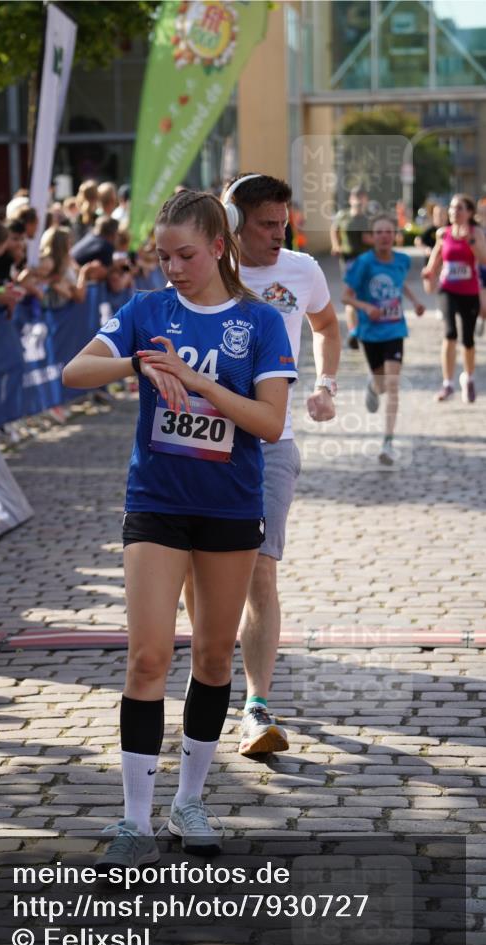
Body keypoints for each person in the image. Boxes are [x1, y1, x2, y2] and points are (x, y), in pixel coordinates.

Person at [62, 190, 297, 867]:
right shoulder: (146, 310)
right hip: (156, 501)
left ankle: (188, 801)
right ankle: (134, 820)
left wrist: (198, 384)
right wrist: (137, 363)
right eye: (162, 256)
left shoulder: (258, 322)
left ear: (218, 247)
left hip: (228, 506)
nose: (172, 268)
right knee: (147, 656)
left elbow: (269, 422)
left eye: (185, 255)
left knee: (215, 659)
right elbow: (74, 371)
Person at [184, 173, 340, 757]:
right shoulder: (203, 271)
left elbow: (326, 325)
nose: (280, 235)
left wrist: (325, 384)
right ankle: (210, 670)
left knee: (261, 571)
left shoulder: (302, 271)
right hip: (202, 442)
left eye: (284, 223)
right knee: (199, 573)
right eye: (267, 225)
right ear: (232, 225)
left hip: (272, 444)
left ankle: (256, 704)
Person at [343, 214, 425, 465]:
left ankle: (387, 441)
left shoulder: (402, 260)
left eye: (389, 231)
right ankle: (372, 387)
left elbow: (399, 284)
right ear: (371, 236)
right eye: (379, 232)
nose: (384, 236)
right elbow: (346, 297)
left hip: (395, 329)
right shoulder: (363, 263)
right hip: (370, 332)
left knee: (393, 383)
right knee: (381, 384)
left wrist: (415, 302)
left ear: (395, 235)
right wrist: (366, 307)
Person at [421, 194, 486, 403]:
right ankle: (447, 384)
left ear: (469, 212)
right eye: (452, 208)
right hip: (447, 289)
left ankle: (468, 378)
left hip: (470, 291)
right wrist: (429, 273)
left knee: (468, 339)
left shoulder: (476, 233)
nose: (454, 212)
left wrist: (471, 242)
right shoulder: (443, 233)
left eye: (459, 208)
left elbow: (484, 259)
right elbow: (435, 259)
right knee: (450, 333)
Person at [330, 186, 373, 348]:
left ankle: (364, 330)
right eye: (356, 197)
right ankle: (353, 332)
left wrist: (372, 240)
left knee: (365, 295)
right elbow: (334, 229)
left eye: (362, 197)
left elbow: (376, 238)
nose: (359, 200)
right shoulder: (343, 215)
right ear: (351, 199)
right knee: (351, 296)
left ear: (366, 199)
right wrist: (336, 245)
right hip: (348, 261)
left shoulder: (368, 219)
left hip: (366, 261)